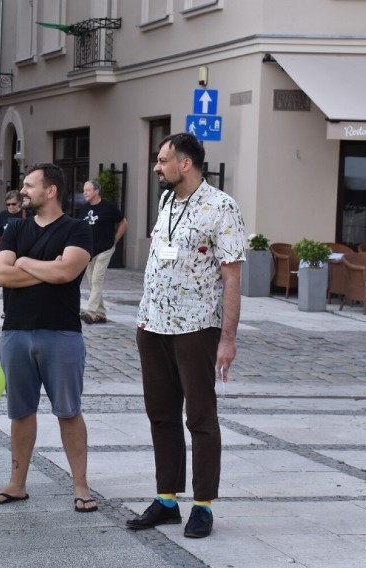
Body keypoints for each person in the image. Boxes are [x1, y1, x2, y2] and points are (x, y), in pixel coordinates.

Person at [126, 133, 245, 539]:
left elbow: (232, 278)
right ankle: (166, 499)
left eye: (162, 160)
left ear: (186, 163)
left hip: (196, 328)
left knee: (200, 417)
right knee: (161, 414)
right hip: (153, 325)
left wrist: (227, 338)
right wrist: (144, 319)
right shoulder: (166, 201)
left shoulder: (222, 207)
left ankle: (203, 505)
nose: (156, 167)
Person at [0, 163, 96, 513]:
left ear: (51, 190)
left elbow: (67, 272)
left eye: (30, 185)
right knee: (20, 412)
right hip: (16, 331)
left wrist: (26, 264)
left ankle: (81, 487)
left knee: (68, 411)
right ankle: (16, 485)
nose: (23, 191)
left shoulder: (77, 229)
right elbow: (2, 275)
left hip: (61, 333)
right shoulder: (15, 228)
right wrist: (44, 267)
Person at [78, 179, 128, 325]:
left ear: (96, 191)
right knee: (92, 282)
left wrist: (115, 240)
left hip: (105, 249)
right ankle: (101, 314)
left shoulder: (108, 207)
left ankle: (91, 313)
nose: (84, 193)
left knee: (96, 280)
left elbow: (124, 222)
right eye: (84, 190)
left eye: (87, 190)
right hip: (89, 251)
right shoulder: (84, 209)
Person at [0, 190, 27, 318]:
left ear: (20, 203)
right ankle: (7, 310)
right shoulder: (2, 216)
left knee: (21, 282)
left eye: (13, 204)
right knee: (6, 283)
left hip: (22, 254)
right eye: (8, 204)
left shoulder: (26, 215)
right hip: (5, 253)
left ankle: (21, 308)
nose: (11, 207)